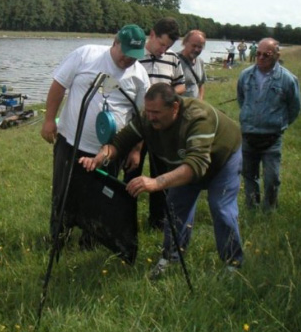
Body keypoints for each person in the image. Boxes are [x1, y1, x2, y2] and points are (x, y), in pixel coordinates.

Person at [79, 83, 244, 277]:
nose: (150, 117)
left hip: (222, 160)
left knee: (221, 209)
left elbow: (197, 164)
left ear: (174, 107)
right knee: (175, 208)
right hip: (186, 164)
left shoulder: (198, 117)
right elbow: (121, 141)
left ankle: (233, 263)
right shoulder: (147, 118)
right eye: (147, 111)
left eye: (156, 112)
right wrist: (101, 157)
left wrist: (156, 182)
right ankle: (171, 258)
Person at [41, 24, 150, 247]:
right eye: (125, 54)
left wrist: (136, 150)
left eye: (134, 57)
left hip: (111, 151)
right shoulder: (86, 54)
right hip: (71, 142)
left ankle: (90, 241)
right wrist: (49, 120)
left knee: (100, 198)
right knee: (64, 192)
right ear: (115, 43)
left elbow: (141, 117)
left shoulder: (139, 75)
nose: (128, 61)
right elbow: (59, 85)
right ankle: (58, 237)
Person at [125, 16, 186, 230]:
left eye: (168, 46)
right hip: (136, 125)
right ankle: (126, 218)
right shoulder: (133, 55)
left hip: (162, 126)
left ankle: (157, 221)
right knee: (131, 171)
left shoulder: (172, 58)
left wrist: (165, 94)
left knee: (161, 174)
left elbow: (181, 86)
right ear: (152, 34)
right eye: (161, 44)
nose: (163, 50)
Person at [237, 38, 301, 210]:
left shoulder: (288, 79)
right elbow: (241, 100)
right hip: (248, 135)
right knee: (249, 176)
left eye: (266, 54)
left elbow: (294, 107)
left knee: (272, 178)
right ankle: (252, 208)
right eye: (258, 53)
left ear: (277, 55)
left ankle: (269, 211)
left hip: (272, 138)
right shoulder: (245, 75)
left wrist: (280, 123)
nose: (261, 57)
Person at [177, 29, 207, 99]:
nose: (196, 49)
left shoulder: (200, 62)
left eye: (200, 47)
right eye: (194, 46)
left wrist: (200, 101)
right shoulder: (174, 60)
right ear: (185, 43)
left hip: (194, 107)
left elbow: (201, 84)